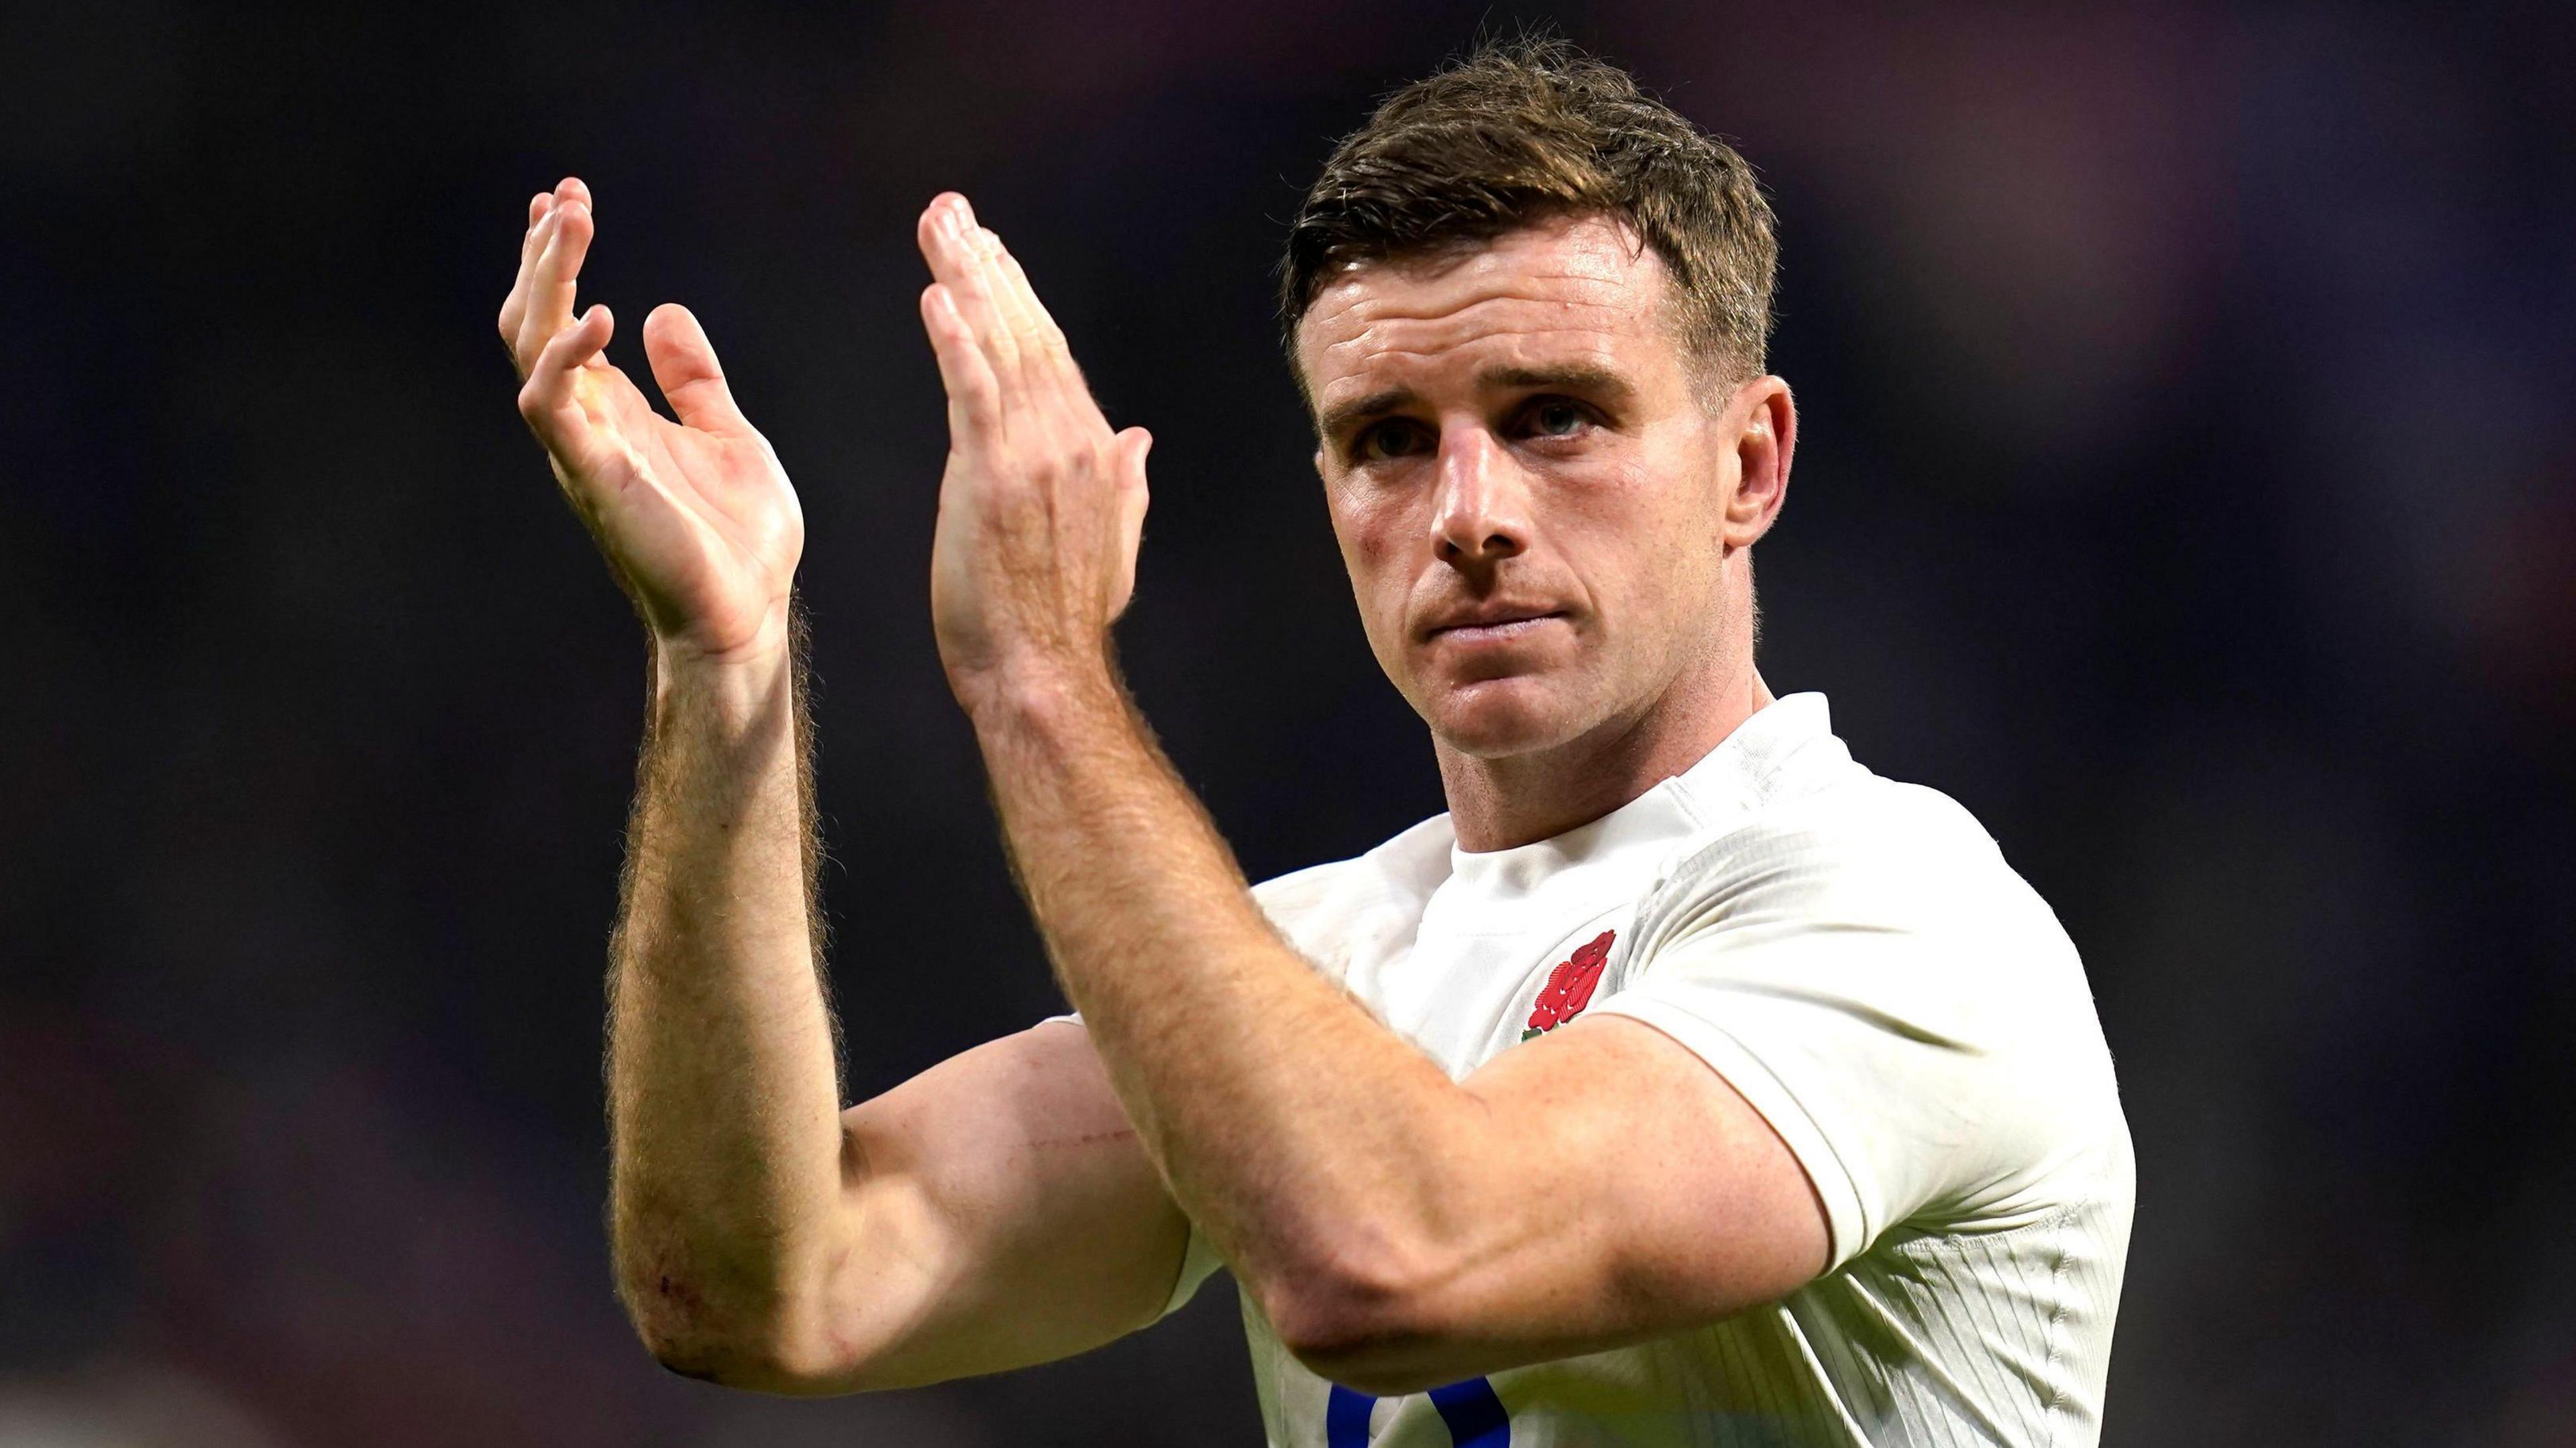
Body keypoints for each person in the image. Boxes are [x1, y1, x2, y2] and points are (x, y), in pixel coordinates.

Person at [498, 39, 2134, 1447]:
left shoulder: (1900, 919)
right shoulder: (1323, 957)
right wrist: (723, 670)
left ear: (1749, 464)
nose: (1469, 515)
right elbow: (770, 1288)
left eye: (1556, 415)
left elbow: (1390, 1256)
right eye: (1388, 443)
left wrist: (1045, 673)